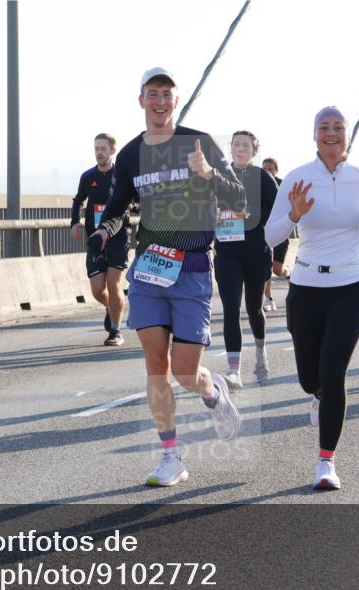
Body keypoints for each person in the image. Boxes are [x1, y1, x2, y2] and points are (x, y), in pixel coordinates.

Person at [89, 67, 244, 487]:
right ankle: (170, 456)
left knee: (185, 372)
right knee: (156, 364)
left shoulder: (199, 143)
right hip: (150, 268)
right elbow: (119, 204)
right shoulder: (130, 155)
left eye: (167, 94)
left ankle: (212, 394)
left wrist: (209, 173)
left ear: (176, 101)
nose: (160, 101)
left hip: (193, 266)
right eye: (153, 93)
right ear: (141, 100)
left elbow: (238, 199)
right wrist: (104, 229)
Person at [265, 106, 359, 490]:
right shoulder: (297, 177)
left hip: (351, 284)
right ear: (314, 135)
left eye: (338, 128)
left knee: (334, 371)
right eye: (324, 127)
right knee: (310, 377)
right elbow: (268, 238)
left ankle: (326, 462)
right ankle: (317, 394)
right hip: (306, 284)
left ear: (347, 136)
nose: (331, 133)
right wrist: (291, 215)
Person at [215, 131, 279, 388]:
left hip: (256, 252)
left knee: (253, 309)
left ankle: (261, 357)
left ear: (254, 151)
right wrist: (212, 214)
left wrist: (248, 212)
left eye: (246, 145)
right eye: (236, 144)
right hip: (227, 251)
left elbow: (276, 212)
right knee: (230, 309)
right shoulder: (218, 177)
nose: (240, 148)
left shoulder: (262, 178)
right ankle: (234, 371)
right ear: (231, 150)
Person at [71, 133, 129, 345]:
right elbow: (78, 200)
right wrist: (75, 222)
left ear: (112, 151)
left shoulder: (121, 176)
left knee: (114, 285)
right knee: (97, 289)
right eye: (96, 149)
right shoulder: (88, 177)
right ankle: (112, 307)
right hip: (95, 238)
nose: (99, 152)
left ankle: (115, 331)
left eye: (103, 148)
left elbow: (129, 202)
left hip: (118, 236)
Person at [262, 156, 288, 311]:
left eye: (271, 169)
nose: (267, 172)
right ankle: (268, 298)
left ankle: (289, 272)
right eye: (264, 169)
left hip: (280, 232)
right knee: (265, 265)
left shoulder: (283, 185)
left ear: (276, 171)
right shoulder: (256, 186)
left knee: (277, 270)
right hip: (263, 234)